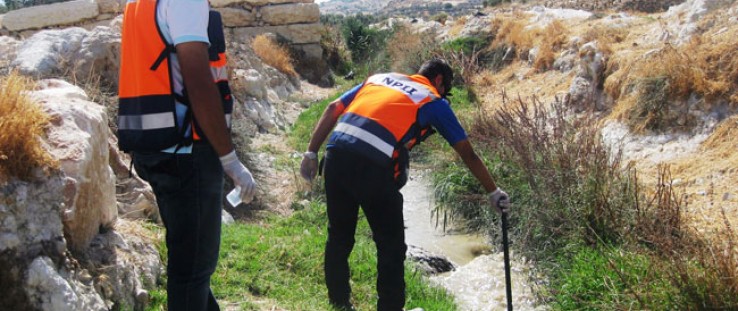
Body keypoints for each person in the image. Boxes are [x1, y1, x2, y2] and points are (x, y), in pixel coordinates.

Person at [299, 59, 510, 311]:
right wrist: (493, 191)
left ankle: (339, 303)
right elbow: (467, 152)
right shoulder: (432, 100)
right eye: (446, 89)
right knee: (391, 247)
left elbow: (334, 107)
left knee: (339, 237)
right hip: (373, 167)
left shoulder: (379, 78)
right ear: (440, 81)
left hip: (335, 156)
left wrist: (311, 153)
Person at [117, 1, 256, 310]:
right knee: (192, 271)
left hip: (153, 145)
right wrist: (229, 158)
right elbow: (197, 78)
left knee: (188, 260)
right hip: (187, 152)